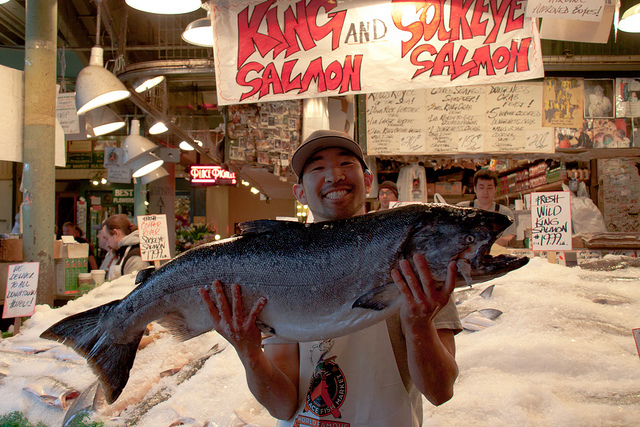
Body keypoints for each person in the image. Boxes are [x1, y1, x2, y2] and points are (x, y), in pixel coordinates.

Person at [200, 130, 462, 426]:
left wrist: (419, 327)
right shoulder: (281, 268)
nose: (334, 176)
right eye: (317, 168)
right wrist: (249, 353)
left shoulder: (417, 263)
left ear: (368, 181)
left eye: (346, 164)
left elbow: (440, 392)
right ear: (300, 192)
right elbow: (283, 406)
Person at [457, 169, 517, 246]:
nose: (485, 192)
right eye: (481, 187)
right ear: (475, 189)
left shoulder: (504, 212)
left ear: (495, 189)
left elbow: (510, 237)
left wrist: (491, 241)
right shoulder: (462, 209)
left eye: (489, 188)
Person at [101, 214, 149, 280]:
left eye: (107, 239)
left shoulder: (135, 256)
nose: (107, 244)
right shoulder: (123, 252)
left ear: (115, 233)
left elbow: (134, 284)